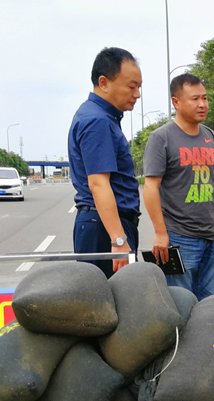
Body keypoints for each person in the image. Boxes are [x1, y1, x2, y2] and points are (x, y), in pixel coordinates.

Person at [142, 73, 214, 301]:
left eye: (205, 98)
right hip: (178, 237)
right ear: (176, 102)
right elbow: (150, 188)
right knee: (180, 302)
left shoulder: (210, 136)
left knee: (207, 301)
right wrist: (160, 233)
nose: (202, 104)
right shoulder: (161, 138)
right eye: (195, 99)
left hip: (209, 237)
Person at [68, 47, 142, 278]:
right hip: (104, 230)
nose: (137, 94)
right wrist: (118, 239)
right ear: (104, 82)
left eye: (139, 87)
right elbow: (98, 183)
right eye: (132, 86)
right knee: (109, 305)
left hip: (105, 226)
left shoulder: (101, 117)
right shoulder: (97, 121)